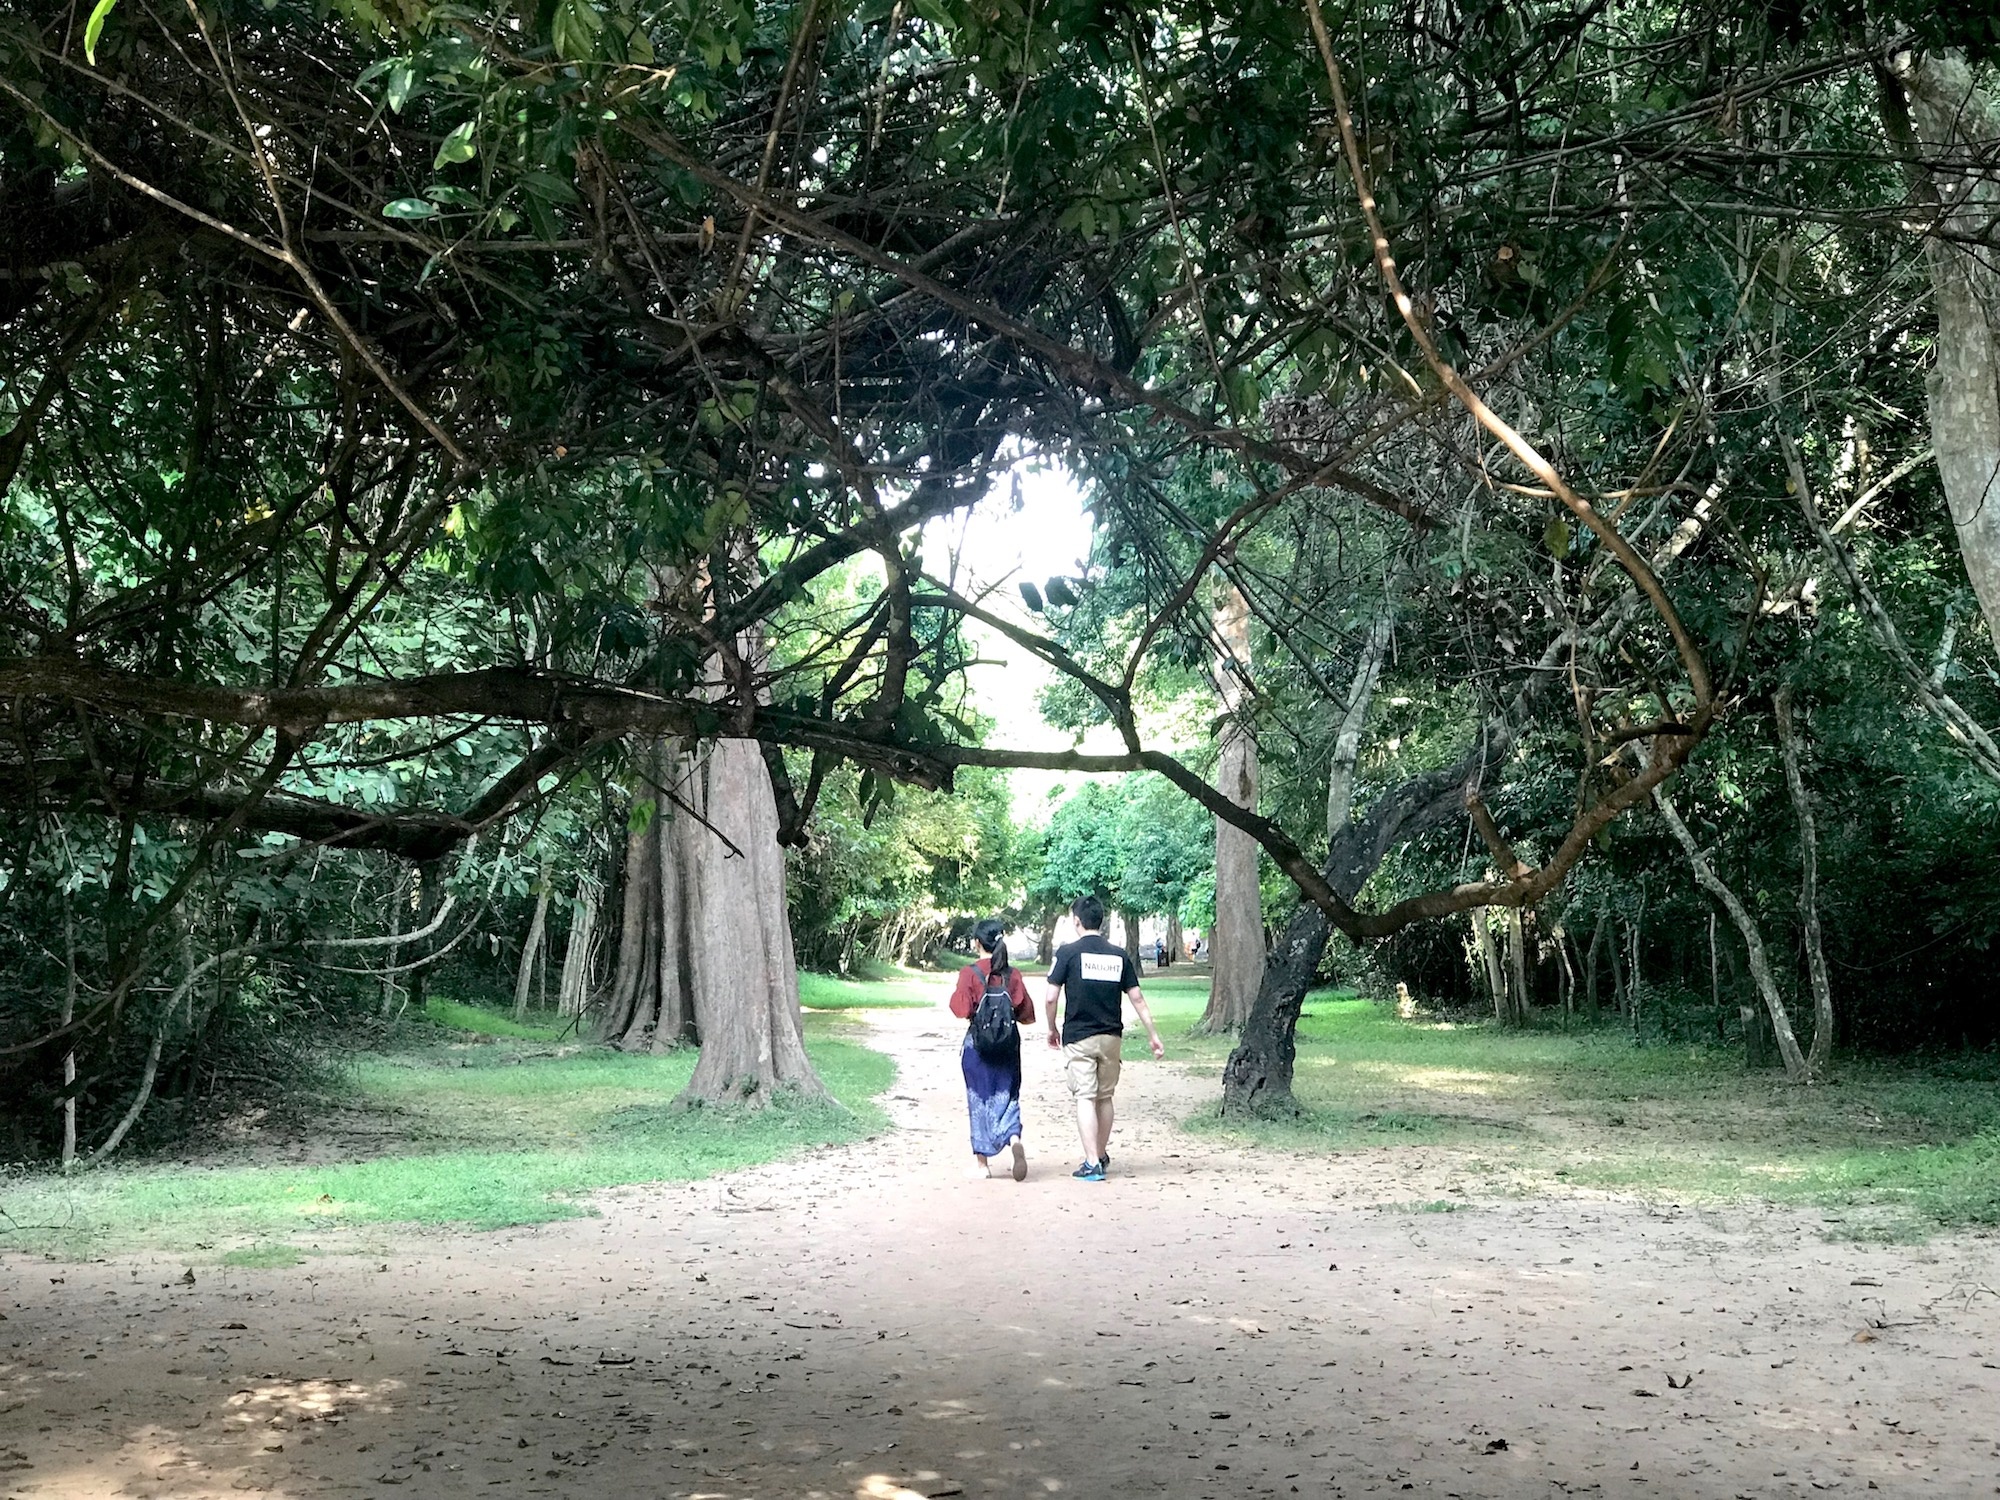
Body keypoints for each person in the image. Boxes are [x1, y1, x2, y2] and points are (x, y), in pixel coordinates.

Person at [1044, 895, 1165, 1181]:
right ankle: (1100, 1154)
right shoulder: (1118, 955)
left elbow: (1051, 997)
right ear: (1102, 920)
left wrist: (1052, 1028)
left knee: (1085, 1097)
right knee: (1105, 1096)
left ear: (1076, 921)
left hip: (1079, 1037)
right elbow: (1137, 998)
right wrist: (1153, 1035)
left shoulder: (1068, 953)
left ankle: (1091, 1163)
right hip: (1111, 1036)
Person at [948, 918, 1035, 1180]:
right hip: (1008, 1046)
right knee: (1008, 1095)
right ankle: (1014, 1138)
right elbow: (1026, 1012)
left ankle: (982, 1165)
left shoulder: (969, 973)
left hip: (978, 1047)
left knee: (979, 1100)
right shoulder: (1012, 974)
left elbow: (960, 1009)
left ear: (977, 943)